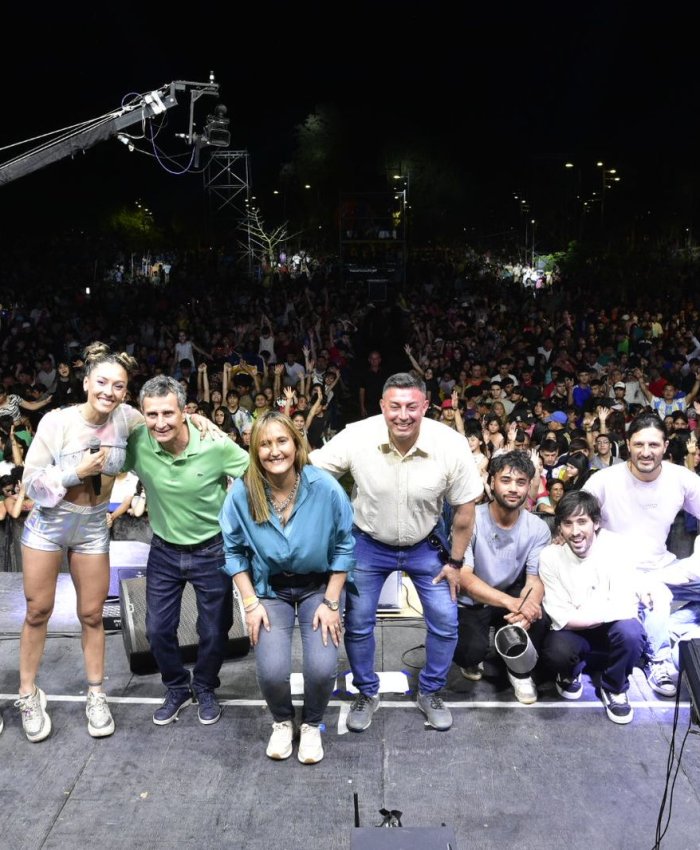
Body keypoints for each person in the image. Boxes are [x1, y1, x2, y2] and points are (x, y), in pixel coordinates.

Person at [310, 372, 483, 731]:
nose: (402, 415)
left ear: (425, 407)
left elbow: (465, 512)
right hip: (368, 543)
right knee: (358, 624)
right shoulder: (358, 435)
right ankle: (366, 692)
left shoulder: (450, 444)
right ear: (382, 407)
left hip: (426, 544)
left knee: (446, 622)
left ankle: (431, 691)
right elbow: (311, 469)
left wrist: (455, 562)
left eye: (411, 407)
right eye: (394, 407)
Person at [16, 342, 142, 742]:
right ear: (86, 382)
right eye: (101, 382)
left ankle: (96, 694)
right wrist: (74, 473)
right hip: (49, 524)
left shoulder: (128, 418)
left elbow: (166, 420)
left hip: (92, 526)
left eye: (118, 386)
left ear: (125, 391)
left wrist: (199, 423)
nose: (109, 391)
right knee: (39, 610)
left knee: (92, 614)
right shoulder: (57, 421)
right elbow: (30, 483)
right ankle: (27, 694)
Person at [219, 411, 355, 764]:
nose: (274, 451)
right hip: (269, 590)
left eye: (281, 441)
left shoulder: (323, 486)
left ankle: (310, 724)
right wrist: (250, 603)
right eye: (264, 444)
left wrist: (331, 601)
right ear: (254, 450)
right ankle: (282, 721)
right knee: (273, 671)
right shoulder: (243, 493)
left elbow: (345, 545)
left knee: (323, 668)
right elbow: (233, 551)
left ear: (296, 444)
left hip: (317, 590)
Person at [124, 375, 250, 726]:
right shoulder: (137, 443)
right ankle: (177, 687)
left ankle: (206, 686)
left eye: (168, 413)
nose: (160, 423)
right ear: (142, 414)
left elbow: (254, 473)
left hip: (213, 549)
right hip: (164, 550)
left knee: (214, 629)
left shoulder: (214, 443)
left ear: (184, 412)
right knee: (157, 629)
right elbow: (107, 436)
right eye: (151, 415)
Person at [583, 411, 700, 697]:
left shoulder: (680, 478)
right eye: (639, 445)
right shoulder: (604, 481)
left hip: (662, 568)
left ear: (665, 445)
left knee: (659, 593)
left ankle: (668, 629)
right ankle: (658, 659)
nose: (646, 453)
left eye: (653, 445)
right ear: (627, 444)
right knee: (655, 600)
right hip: (617, 572)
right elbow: (574, 522)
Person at [539, 491, 647, 725]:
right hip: (575, 629)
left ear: (596, 523)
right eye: (567, 523)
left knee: (632, 633)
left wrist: (588, 613)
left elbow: (626, 606)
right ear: (559, 528)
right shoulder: (550, 556)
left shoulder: (617, 548)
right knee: (556, 651)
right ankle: (571, 670)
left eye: (582, 521)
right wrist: (606, 610)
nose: (575, 531)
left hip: (604, 627)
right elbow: (560, 616)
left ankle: (614, 687)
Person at [453, 451, 551, 704]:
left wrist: (527, 607)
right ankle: (473, 657)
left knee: (539, 616)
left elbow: (534, 580)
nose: (513, 489)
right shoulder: (471, 518)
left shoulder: (538, 528)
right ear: (491, 482)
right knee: (469, 652)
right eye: (506, 480)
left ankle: (519, 671)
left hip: (512, 592)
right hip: (475, 599)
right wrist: (511, 602)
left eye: (520, 483)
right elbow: (464, 576)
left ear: (529, 487)